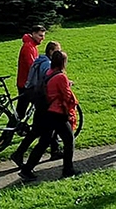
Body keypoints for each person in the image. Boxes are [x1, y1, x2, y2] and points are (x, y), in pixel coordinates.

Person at [19, 50, 79, 181]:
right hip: (58, 113)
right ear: (63, 62)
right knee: (69, 140)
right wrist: (73, 102)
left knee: (44, 141)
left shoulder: (49, 72)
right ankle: (68, 169)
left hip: (46, 112)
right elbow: (67, 95)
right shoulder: (61, 76)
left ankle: (27, 169)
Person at [11, 40, 60, 168]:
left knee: (40, 129)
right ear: (51, 51)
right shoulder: (47, 64)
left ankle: (54, 150)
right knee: (42, 130)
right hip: (43, 99)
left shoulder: (39, 61)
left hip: (35, 94)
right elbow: (47, 80)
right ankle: (25, 162)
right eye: (57, 51)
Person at [15, 26, 46, 122]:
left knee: (20, 112)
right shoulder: (28, 47)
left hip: (26, 83)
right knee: (42, 106)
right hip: (27, 84)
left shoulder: (32, 46)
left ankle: (8, 134)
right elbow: (32, 67)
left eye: (43, 36)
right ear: (33, 34)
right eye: (40, 35)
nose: (42, 38)